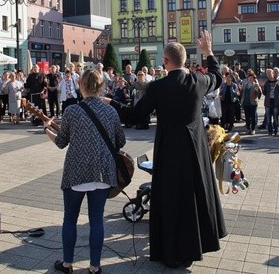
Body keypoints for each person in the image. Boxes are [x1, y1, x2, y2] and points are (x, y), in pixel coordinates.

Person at [102, 30, 226, 268]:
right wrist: (208, 51)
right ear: (185, 62)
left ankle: (170, 252)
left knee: (171, 199)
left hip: (169, 151)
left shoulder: (159, 87)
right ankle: (193, 248)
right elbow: (217, 76)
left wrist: (112, 103)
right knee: (191, 198)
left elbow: (135, 114)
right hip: (193, 152)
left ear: (166, 62)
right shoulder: (198, 81)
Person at [44, 69, 126, 274]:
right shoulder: (111, 112)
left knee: (70, 219)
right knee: (97, 220)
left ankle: (67, 264)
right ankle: (94, 266)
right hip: (102, 173)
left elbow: (62, 142)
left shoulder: (72, 111)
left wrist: (47, 130)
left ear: (81, 86)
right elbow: (121, 141)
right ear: (101, 87)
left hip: (76, 174)